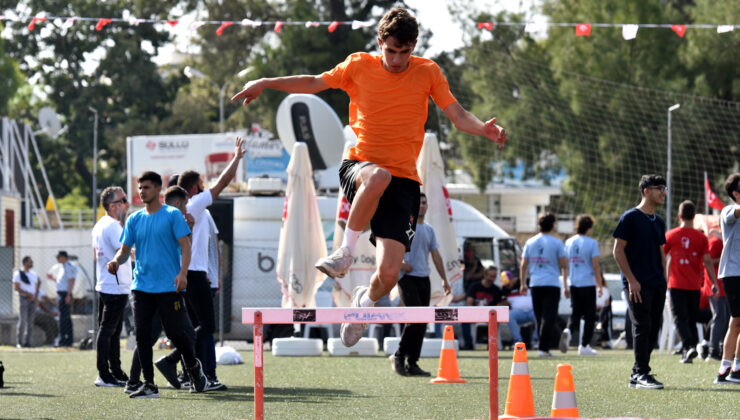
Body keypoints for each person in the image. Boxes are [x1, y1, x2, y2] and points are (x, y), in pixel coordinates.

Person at [231, 8, 507, 348]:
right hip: (360, 166)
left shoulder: (428, 72)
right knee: (378, 176)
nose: (396, 59)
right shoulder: (358, 65)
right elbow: (314, 83)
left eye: (404, 52)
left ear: (414, 47)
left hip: (405, 180)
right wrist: (266, 83)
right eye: (391, 51)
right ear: (381, 43)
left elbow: (458, 115)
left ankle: (364, 304)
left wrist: (485, 130)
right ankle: (345, 254)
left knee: (390, 274)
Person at [154, 137, 244, 392]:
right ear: (193, 190)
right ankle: (172, 362)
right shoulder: (194, 204)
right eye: (202, 185)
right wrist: (236, 158)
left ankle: (194, 377)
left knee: (193, 327)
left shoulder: (180, 212)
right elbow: (223, 183)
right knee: (207, 326)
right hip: (193, 275)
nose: (206, 189)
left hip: (185, 274)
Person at [108, 171, 207, 398]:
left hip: (168, 287)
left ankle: (193, 367)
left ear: (158, 190)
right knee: (142, 335)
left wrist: (183, 274)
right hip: (141, 287)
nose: (142, 191)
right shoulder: (134, 219)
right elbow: (124, 251)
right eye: (140, 188)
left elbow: (186, 246)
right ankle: (150, 385)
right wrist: (115, 261)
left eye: (147, 187)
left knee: (177, 334)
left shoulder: (172, 215)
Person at [613, 174, 668, 390]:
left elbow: (660, 251)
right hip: (637, 284)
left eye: (665, 188)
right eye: (659, 188)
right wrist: (631, 280)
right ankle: (641, 373)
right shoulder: (630, 217)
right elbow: (618, 250)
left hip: (657, 283)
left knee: (654, 328)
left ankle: (639, 372)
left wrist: (664, 277)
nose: (663, 192)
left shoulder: (659, 220)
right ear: (646, 191)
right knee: (642, 326)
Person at [390, 193, 450, 377]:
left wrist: (444, 279)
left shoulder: (429, 230)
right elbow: (387, 250)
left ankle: (413, 362)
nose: (422, 205)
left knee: (422, 322)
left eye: (425, 202)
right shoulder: (404, 226)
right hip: (407, 279)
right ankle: (398, 356)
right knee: (414, 319)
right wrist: (401, 264)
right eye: (419, 203)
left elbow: (436, 255)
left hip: (424, 279)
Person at [664, 200, 718, 364]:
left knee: (679, 318)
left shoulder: (671, 235)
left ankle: (689, 347)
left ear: (679, 216)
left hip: (676, 284)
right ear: (694, 217)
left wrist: (663, 278)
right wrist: (714, 282)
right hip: (695, 285)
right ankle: (690, 349)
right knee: (691, 317)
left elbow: (663, 258)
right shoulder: (701, 237)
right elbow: (708, 261)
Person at [91, 186, 133, 386]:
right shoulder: (113, 226)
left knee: (112, 330)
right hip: (115, 285)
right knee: (109, 330)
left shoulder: (100, 224)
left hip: (107, 283)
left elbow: (95, 255)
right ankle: (104, 374)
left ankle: (114, 371)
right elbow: (124, 252)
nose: (127, 203)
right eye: (123, 200)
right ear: (112, 205)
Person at [520, 212, 568, 357]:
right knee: (549, 317)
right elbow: (564, 265)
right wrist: (565, 285)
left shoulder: (530, 241)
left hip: (535, 283)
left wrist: (522, 283)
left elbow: (523, 265)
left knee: (539, 317)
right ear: (553, 225)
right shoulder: (557, 242)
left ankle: (543, 346)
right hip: (551, 283)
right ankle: (543, 348)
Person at [563, 214, 604, 356]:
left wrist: (565, 285)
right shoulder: (592, 243)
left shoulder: (568, 242)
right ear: (589, 228)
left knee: (575, 313)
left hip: (573, 283)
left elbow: (564, 266)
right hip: (587, 283)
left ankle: (568, 330)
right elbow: (595, 266)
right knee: (590, 316)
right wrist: (599, 285)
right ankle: (584, 345)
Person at [715, 173, 740, 384]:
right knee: (737, 321)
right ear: (735, 194)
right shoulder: (728, 211)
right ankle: (724, 369)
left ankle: (736, 369)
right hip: (733, 273)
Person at [704, 228, 727, 361]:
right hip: (715, 286)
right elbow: (708, 261)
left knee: (724, 318)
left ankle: (717, 348)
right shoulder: (715, 242)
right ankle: (712, 351)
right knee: (719, 316)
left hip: (723, 285)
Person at [500, 270, 538, 349]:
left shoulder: (526, 281)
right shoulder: (504, 289)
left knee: (541, 315)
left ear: (513, 279)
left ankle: (536, 340)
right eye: (505, 285)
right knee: (509, 315)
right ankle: (518, 341)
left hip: (533, 311)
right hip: (519, 313)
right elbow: (504, 301)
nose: (507, 286)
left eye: (508, 284)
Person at [48, 250, 76, 347]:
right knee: (64, 317)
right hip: (61, 294)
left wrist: (68, 295)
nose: (58, 259)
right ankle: (66, 339)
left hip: (65, 295)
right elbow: (63, 282)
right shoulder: (62, 268)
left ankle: (64, 339)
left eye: (59, 257)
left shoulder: (68, 267)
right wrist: (53, 279)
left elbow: (71, 281)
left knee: (64, 318)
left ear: (63, 257)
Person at [13, 256, 39, 348]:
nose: (31, 263)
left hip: (32, 299)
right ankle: (20, 342)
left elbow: (36, 288)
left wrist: (34, 297)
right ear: (25, 263)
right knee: (23, 320)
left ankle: (28, 342)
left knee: (30, 322)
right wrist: (27, 294)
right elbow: (16, 287)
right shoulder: (18, 274)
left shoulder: (34, 274)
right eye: (30, 262)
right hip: (24, 298)